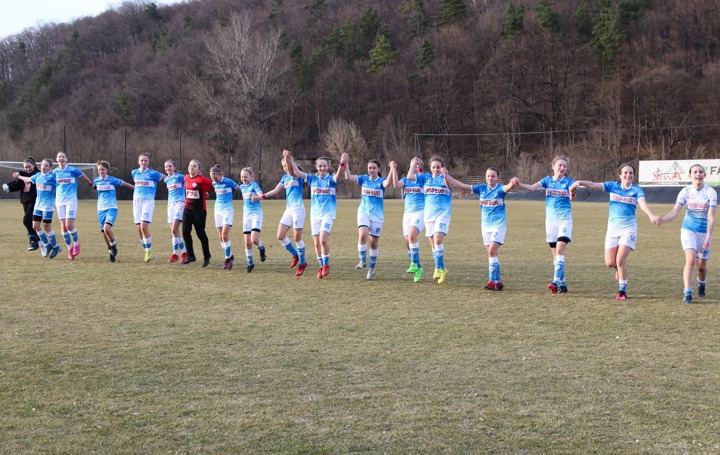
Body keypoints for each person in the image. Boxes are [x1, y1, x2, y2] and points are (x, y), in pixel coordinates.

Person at [571, 163, 660, 300]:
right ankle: (617, 270)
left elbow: (642, 204)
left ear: (634, 176)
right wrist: (579, 182)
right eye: (625, 172)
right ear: (620, 174)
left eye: (631, 173)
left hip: (629, 228)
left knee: (620, 260)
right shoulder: (613, 186)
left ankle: (622, 291)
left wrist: (651, 215)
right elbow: (594, 185)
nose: (628, 175)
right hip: (613, 229)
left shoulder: (636, 190)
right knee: (610, 263)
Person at [442, 167, 519, 290]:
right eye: (488, 176)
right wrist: (448, 177)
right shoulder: (481, 189)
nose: (490, 178)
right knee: (493, 254)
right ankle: (498, 282)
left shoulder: (499, 189)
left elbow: (508, 187)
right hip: (485, 226)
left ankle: (490, 281)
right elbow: (463, 186)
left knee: (491, 252)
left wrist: (512, 182)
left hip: (498, 225)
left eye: (493, 176)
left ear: (497, 178)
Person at [655, 164, 716, 303]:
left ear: (704, 175)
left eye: (701, 172)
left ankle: (702, 283)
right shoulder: (685, 191)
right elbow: (675, 211)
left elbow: (711, 216)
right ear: (690, 175)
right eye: (695, 172)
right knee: (690, 260)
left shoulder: (711, 192)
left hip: (704, 232)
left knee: (701, 267)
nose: (698, 174)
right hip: (688, 229)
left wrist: (708, 236)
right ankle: (687, 293)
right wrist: (663, 220)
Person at [284, 150, 349, 279]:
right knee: (316, 243)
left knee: (323, 239)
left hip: (328, 214)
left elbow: (338, 175)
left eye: (325, 165)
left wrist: (342, 163)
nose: (322, 168)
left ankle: (326, 265)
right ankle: (321, 266)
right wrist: (289, 158)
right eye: (320, 166)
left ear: (328, 166)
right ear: (316, 167)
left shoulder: (331, 180)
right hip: (315, 215)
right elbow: (297, 171)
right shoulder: (312, 179)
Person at [516, 155, 575, 294]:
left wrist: (573, 192)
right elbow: (532, 188)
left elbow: (573, 195)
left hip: (564, 220)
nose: (562, 168)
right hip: (551, 222)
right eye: (559, 165)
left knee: (560, 250)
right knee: (555, 255)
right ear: (553, 166)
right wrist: (518, 184)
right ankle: (563, 284)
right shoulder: (547, 180)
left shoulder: (568, 181)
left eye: (564, 166)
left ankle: (555, 282)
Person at [345, 157, 396, 280]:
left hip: (377, 216)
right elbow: (348, 177)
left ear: (378, 169)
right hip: (363, 213)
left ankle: (372, 269)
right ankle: (362, 260)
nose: (371, 170)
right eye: (369, 168)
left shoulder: (381, 181)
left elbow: (388, 183)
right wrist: (345, 162)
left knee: (373, 243)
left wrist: (392, 168)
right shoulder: (364, 179)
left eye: (374, 168)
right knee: (363, 235)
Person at [406, 156, 452, 284]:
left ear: (442, 167)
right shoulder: (425, 178)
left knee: (438, 240)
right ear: (430, 168)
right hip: (428, 215)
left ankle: (438, 268)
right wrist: (413, 164)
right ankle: (442, 268)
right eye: (433, 167)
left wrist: (446, 175)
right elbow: (410, 176)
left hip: (442, 214)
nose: (436, 169)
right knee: (433, 244)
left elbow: (449, 186)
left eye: (438, 167)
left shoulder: (445, 177)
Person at [261, 154, 308, 276]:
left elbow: (293, 171)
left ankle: (302, 263)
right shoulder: (285, 178)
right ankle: (295, 255)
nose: (285, 168)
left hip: (298, 210)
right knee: (280, 236)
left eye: (286, 166)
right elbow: (276, 190)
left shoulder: (297, 175)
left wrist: (288, 158)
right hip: (288, 210)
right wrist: (261, 196)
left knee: (297, 238)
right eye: (283, 166)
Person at [16, 158, 62, 258]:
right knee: (35, 226)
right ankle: (48, 245)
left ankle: (56, 246)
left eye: (46, 165)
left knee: (46, 226)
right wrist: (19, 176)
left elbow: (61, 183)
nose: (44, 167)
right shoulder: (37, 176)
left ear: (50, 168)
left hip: (48, 206)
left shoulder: (52, 177)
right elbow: (28, 179)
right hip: (38, 205)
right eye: (42, 165)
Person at [53, 151, 94, 260]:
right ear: (56, 159)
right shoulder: (55, 172)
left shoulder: (72, 170)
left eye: (63, 157)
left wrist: (90, 183)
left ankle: (76, 244)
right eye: (59, 157)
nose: (61, 158)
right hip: (59, 201)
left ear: (67, 159)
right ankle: (69, 248)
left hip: (71, 200)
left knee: (69, 224)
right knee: (63, 227)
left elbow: (83, 175)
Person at [394, 158, 429, 283]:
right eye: (411, 165)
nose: (413, 167)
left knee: (412, 235)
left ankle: (414, 264)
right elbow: (395, 185)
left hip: (421, 211)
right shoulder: (405, 180)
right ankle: (418, 267)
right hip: (407, 213)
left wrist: (417, 165)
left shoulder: (424, 179)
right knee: (407, 241)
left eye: (416, 165)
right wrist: (393, 169)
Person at [93, 161, 134, 262]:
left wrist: (135, 188)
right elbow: (94, 186)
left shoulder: (112, 180)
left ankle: (114, 246)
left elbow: (124, 183)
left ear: (107, 170)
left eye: (103, 169)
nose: (101, 171)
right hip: (100, 209)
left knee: (107, 228)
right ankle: (110, 251)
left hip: (111, 208)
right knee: (104, 233)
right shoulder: (96, 180)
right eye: (99, 170)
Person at [131, 153, 165, 262]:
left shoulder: (153, 173)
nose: (144, 162)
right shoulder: (134, 172)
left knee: (144, 227)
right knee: (139, 229)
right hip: (137, 202)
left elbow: (167, 178)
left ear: (148, 162)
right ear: (138, 161)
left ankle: (148, 252)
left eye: (146, 160)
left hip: (148, 202)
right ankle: (146, 249)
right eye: (142, 160)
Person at [182, 159, 215, 267]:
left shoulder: (202, 180)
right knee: (185, 232)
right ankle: (191, 256)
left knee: (200, 233)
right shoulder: (186, 177)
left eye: (194, 166)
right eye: (190, 165)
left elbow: (214, 186)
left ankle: (207, 256)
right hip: (187, 210)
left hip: (199, 211)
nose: (192, 167)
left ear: (198, 169)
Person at [3, 157, 41, 251]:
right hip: (25, 201)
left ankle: (33, 241)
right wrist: (8, 187)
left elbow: (29, 178)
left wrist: (19, 174)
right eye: (26, 167)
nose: (28, 169)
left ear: (34, 165)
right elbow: (17, 185)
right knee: (31, 223)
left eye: (29, 166)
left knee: (26, 220)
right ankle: (39, 240)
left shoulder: (37, 174)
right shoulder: (22, 176)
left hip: (35, 201)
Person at [210, 165, 239, 270]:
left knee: (224, 235)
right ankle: (230, 255)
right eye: (212, 179)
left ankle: (227, 259)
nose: (214, 181)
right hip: (217, 211)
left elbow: (240, 188)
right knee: (221, 237)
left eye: (216, 178)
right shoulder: (213, 183)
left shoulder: (228, 181)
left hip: (227, 210)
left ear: (221, 174)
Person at [239, 167, 267, 273]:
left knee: (254, 239)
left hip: (256, 214)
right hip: (246, 216)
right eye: (242, 177)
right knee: (247, 242)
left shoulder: (254, 185)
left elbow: (262, 195)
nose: (243, 178)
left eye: (246, 176)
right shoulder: (241, 186)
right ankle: (250, 264)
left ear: (251, 177)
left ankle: (261, 248)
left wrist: (257, 198)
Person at [163, 159, 188, 263]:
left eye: (170, 166)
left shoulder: (179, 177)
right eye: (166, 167)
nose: (168, 168)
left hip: (180, 204)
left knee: (174, 229)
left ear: (174, 167)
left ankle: (175, 253)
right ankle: (184, 252)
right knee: (174, 232)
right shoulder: (166, 180)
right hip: (170, 205)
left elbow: (190, 181)